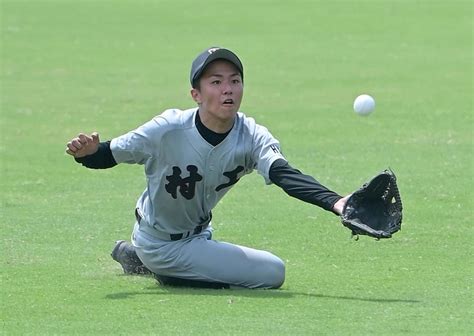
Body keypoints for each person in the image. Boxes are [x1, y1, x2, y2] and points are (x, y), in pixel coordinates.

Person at [66, 47, 349, 289]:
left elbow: (284, 174)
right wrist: (88, 153)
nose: (228, 89)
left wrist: (336, 202)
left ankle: (141, 260)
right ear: (196, 94)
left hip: (199, 235)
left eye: (235, 81)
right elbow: (109, 154)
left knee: (263, 269)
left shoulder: (251, 135)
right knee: (273, 273)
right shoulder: (167, 128)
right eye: (216, 82)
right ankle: (160, 268)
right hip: (157, 240)